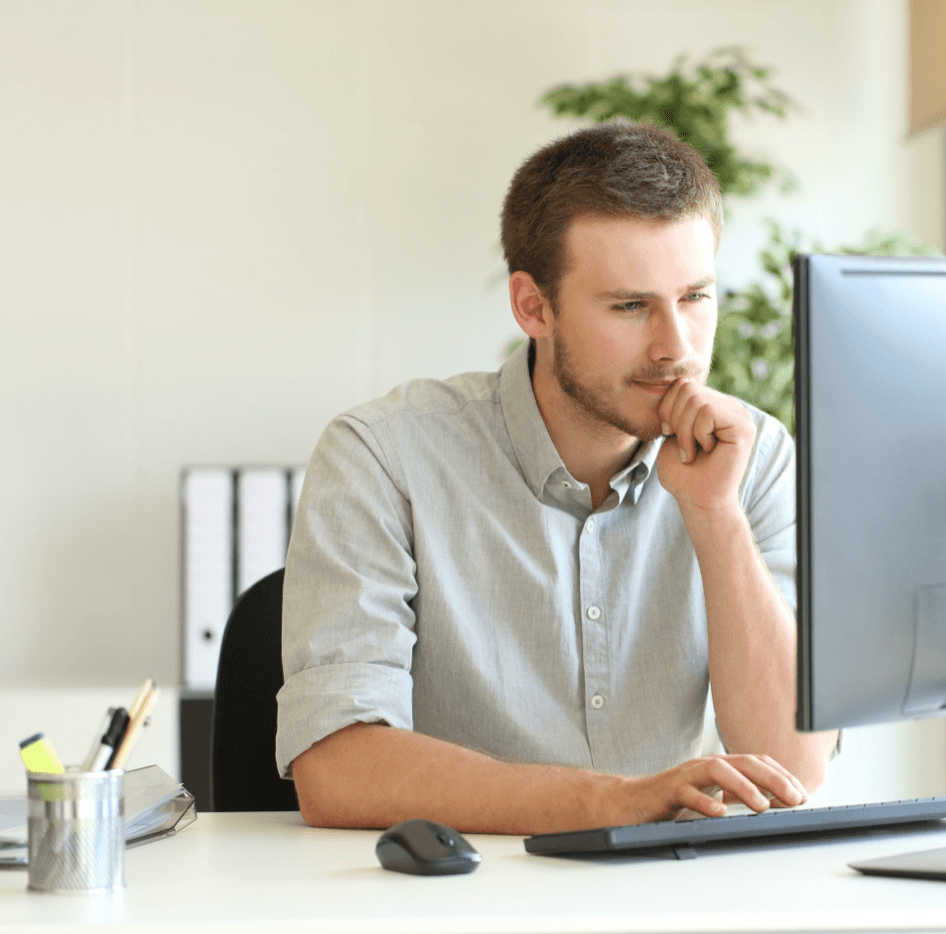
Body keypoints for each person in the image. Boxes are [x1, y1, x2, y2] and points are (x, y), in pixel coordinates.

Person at [275, 120, 839, 834]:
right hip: (462, 884)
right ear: (533, 307)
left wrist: (715, 514)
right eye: (631, 306)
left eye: (696, 298)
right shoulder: (383, 456)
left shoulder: (754, 456)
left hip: (676, 884)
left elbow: (792, 770)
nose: (676, 348)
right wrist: (609, 802)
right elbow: (338, 770)